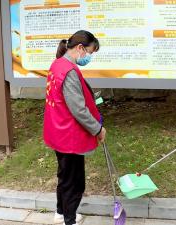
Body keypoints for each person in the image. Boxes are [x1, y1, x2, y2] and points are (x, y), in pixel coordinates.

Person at [43, 30, 106, 225]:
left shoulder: (57, 64)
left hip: (57, 130)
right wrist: (98, 129)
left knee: (64, 175)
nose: (89, 57)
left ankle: (60, 213)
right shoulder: (69, 71)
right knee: (74, 181)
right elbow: (78, 109)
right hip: (69, 134)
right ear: (80, 48)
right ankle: (69, 221)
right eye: (90, 52)